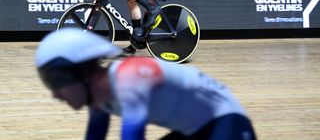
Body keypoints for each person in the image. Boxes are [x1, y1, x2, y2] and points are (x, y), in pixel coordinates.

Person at [35, 28, 256, 140]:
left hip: (228, 123)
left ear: (81, 73)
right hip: (198, 128)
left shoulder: (129, 78)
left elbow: (132, 136)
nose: (54, 94)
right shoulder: (99, 96)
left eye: (55, 81)